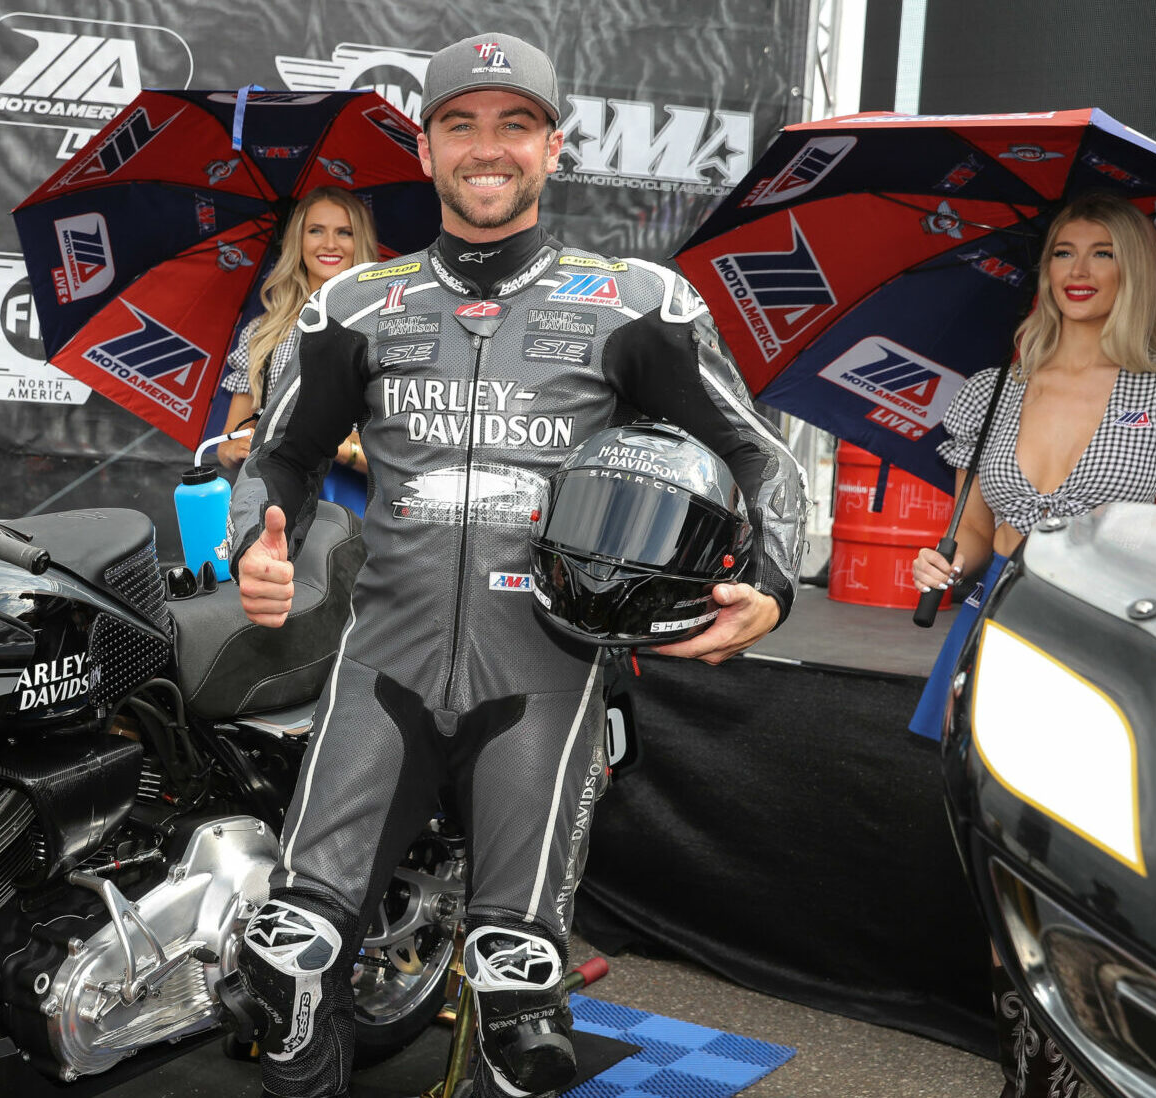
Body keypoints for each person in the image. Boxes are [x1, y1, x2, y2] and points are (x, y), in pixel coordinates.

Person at [227, 32, 804, 1098]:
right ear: (427, 143)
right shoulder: (355, 305)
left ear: (553, 146)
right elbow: (284, 455)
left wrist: (769, 589)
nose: (487, 148)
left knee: (521, 1004)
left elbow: (758, 458)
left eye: (514, 125)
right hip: (382, 668)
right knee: (281, 972)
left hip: (546, 675)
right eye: (462, 124)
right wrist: (254, 539)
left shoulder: (634, 301)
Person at [908, 191, 1156, 1098]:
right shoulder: (994, 392)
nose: (1080, 273)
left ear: (1136, 272)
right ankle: (1029, 1080)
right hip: (1001, 640)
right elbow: (973, 533)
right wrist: (941, 561)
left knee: (1101, 885)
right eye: (1064, 252)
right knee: (1008, 886)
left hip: (1110, 660)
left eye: (1104, 254)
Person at [215, 187, 374, 508]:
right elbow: (231, 436)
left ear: (361, 243)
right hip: (272, 502)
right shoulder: (262, 333)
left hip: (357, 513)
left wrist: (338, 446)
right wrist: (234, 448)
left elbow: (405, 456)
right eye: (316, 230)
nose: (330, 244)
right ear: (297, 241)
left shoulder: (386, 326)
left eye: (344, 232)